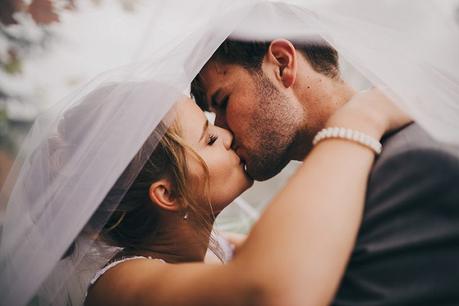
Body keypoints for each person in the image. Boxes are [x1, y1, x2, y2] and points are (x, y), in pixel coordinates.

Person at [78, 85, 409, 306]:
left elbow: (303, 246)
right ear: (168, 193)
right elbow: (272, 291)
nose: (225, 132)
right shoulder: (120, 285)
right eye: (208, 140)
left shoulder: (216, 246)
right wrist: (359, 121)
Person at [191, 38, 459, 305]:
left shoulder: (414, 168)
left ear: (282, 64)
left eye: (223, 102)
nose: (223, 129)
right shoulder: (310, 200)